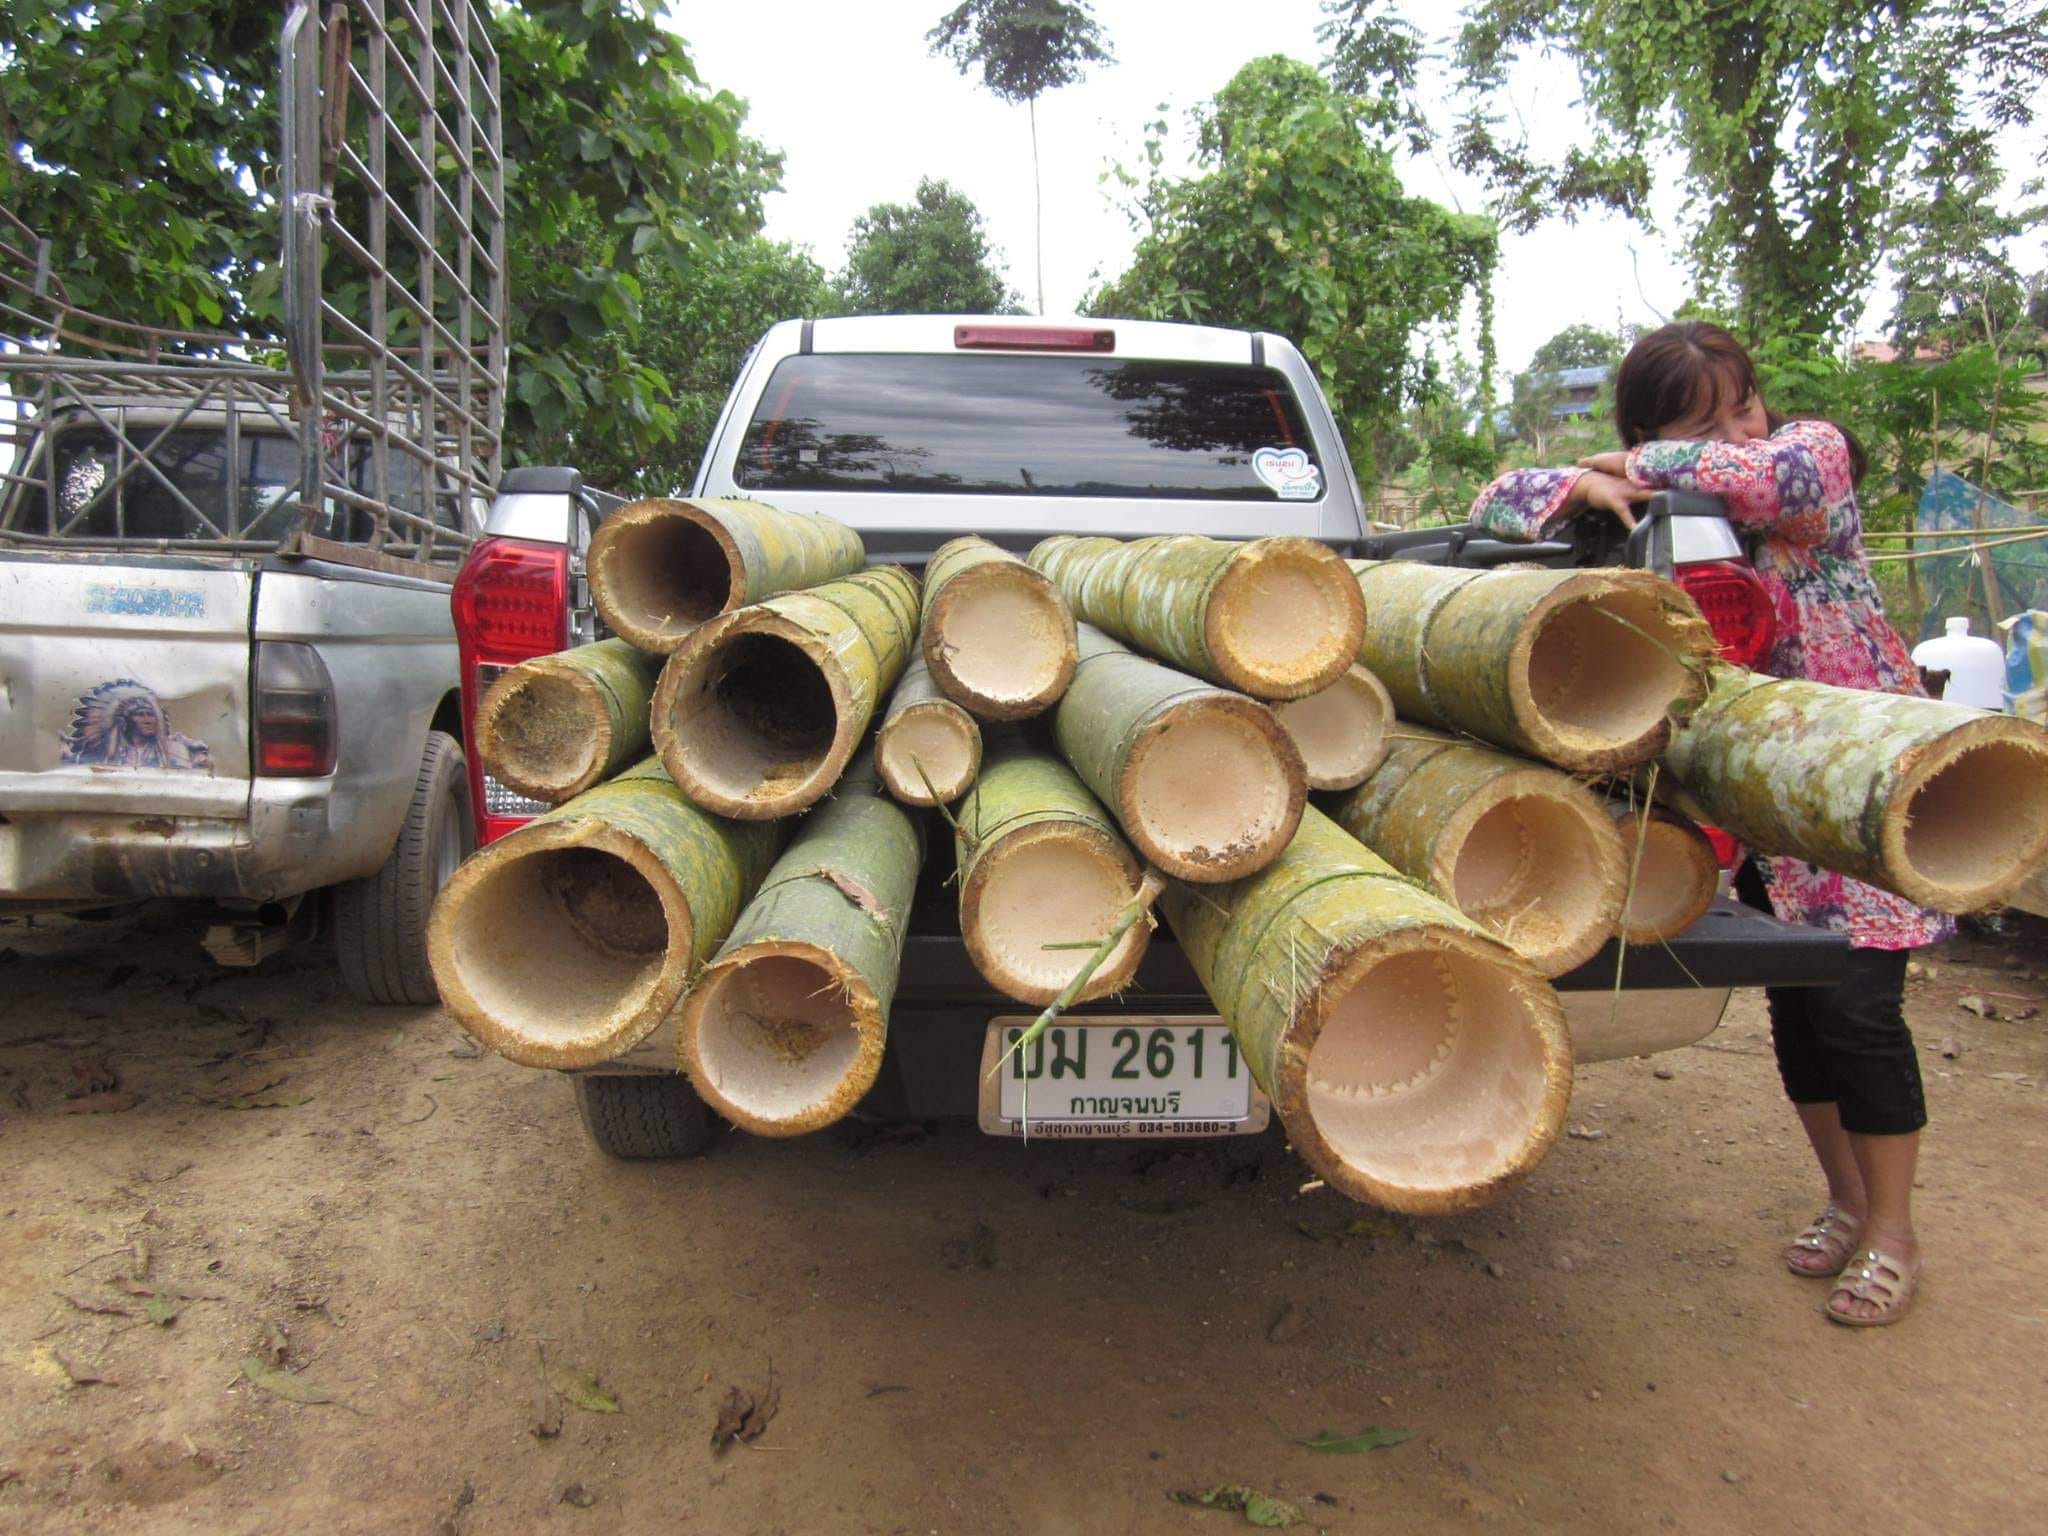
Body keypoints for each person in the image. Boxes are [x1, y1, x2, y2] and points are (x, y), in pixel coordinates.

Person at [1469, 321, 1944, 1327]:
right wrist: (1580, 488)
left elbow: (1778, 471)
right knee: (1802, 1010)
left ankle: (1893, 1233)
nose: (1739, 429)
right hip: (1761, 804)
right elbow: (1494, 499)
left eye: (1742, 405)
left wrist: (1645, 460)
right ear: (1645, 426)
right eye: (1704, 418)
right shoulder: (1659, 508)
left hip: (1853, 788)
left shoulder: (1807, 468)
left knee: (1860, 1012)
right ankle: (1845, 1203)